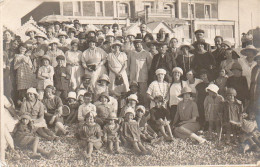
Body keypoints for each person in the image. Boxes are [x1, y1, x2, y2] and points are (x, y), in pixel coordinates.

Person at [128, 38, 152, 106]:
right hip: (133, 77)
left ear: (142, 44)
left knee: (143, 94)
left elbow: (149, 65)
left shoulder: (147, 53)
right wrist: (129, 75)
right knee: (133, 93)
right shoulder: (131, 53)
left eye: (138, 44)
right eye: (135, 44)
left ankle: (144, 108)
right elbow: (128, 65)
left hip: (143, 77)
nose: (137, 46)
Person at [249, 54, 260, 129]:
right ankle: (254, 129)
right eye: (257, 60)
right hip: (253, 90)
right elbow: (252, 81)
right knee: (253, 108)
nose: (258, 62)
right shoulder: (254, 68)